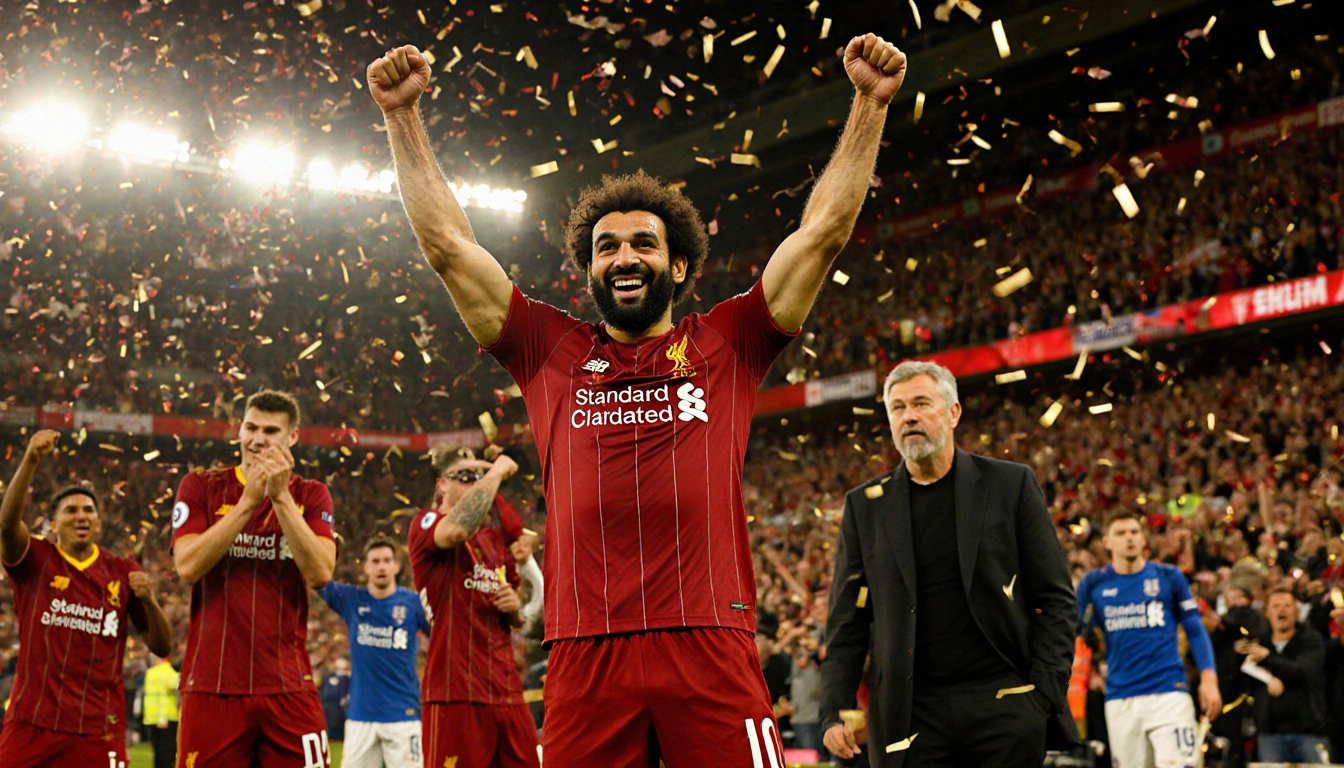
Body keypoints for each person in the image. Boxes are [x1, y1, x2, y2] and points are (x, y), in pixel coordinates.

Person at [368, 30, 907, 767]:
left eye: (643, 244)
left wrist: (869, 106)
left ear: (678, 262)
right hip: (588, 651)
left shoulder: (729, 341)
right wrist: (401, 117)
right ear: (589, 271)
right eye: (607, 247)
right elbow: (450, 251)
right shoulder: (547, 350)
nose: (625, 257)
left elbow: (821, 235)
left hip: (710, 641)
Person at [820, 361, 1079, 767]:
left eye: (921, 403)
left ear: (953, 412)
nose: (909, 416)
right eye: (898, 408)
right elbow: (847, 622)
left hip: (1004, 706)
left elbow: (1057, 598)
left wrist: (1042, 696)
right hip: (911, 716)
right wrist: (832, 708)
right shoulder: (864, 507)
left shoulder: (1011, 485)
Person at [171, 389, 338, 767]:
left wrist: (279, 498)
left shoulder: (311, 495)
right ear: (239, 430)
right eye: (250, 427)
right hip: (213, 685)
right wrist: (249, 501)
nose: (257, 439)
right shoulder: (200, 486)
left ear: (292, 437)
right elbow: (188, 567)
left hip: (288, 685)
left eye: (270, 430)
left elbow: (320, 573)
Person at [0, 429, 173, 768]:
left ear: (98, 521)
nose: (81, 515)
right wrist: (30, 461)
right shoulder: (36, 559)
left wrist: (150, 601)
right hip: (32, 724)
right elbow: (6, 527)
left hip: (98, 728)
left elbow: (162, 647)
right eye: (71, 510)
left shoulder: (122, 571)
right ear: (53, 523)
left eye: (88, 510)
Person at [409, 447, 537, 768]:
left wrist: (514, 607)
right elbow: (457, 529)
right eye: (464, 477)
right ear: (441, 485)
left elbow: (518, 616)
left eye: (477, 478)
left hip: (507, 691)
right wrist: (496, 472)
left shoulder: (494, 544)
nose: (474, 484)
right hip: (456, 693)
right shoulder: (427, 523)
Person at [1076, 509, 1222, 768]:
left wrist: (1209, 679)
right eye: (1121, 533)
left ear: (1144, 539)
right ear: (1107, 542)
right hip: (1120, 699)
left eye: (1134, 532)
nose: (1129, 538)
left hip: (1169, 694)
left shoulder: (1169, 577)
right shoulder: (1093, 584)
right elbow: (1076, 631)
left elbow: (1195, 629)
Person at [316, 535, 430, 768]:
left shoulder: (413, 604)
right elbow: (317, 580)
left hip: (403, 717)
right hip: (361, 718)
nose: (382, 566)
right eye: (375, 561)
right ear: (366, 567)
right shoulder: (351, 600)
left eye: (387, 560)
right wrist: (325, 546)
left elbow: (440, 638)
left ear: (396, 566)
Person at [1239, 589, 1331, 762]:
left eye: (1287, 606)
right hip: (1269, 736)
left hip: (1308, 733)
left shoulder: (1311, 639)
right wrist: (1268, 679)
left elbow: (1302, 672)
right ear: (1267, 612)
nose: (1281, 610)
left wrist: (1267, 658)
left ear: (1296, 612)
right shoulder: (1259, 642)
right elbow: (1244, 676)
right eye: (1275, 606)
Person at [142, 652, 180, 768]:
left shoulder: (150, 673)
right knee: (167, 754)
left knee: (158, 752)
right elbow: (178, 684)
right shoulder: (167, 671)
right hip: (166, 718)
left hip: (151, 718)